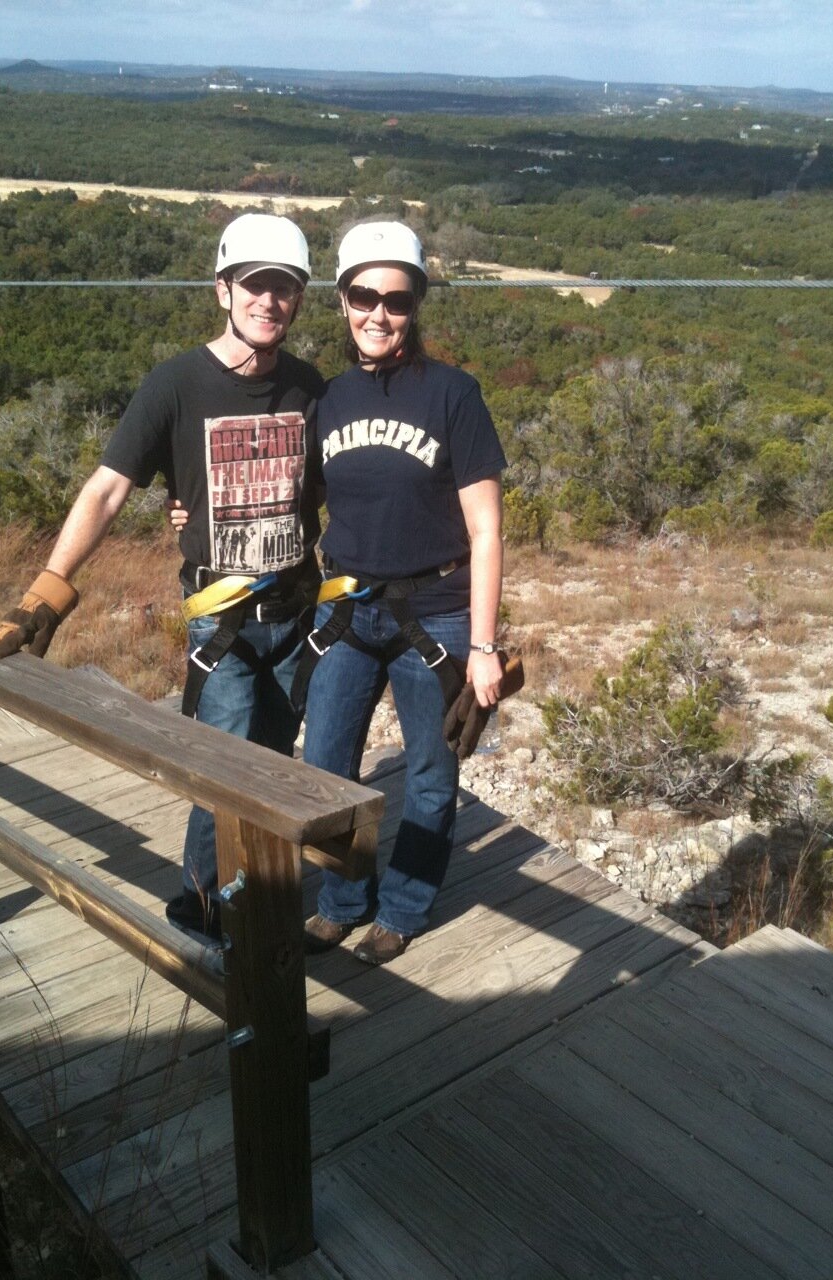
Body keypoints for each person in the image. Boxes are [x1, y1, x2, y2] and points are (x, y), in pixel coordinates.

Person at [0, 212, 325, 947]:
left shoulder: (308, 387)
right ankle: (204, 907)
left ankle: (255, 892)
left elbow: (339, 486)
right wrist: (50, 587)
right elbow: (106, 488)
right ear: (223, 290)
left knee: (272, 766)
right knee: (221, 769)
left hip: (296, 614)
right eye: (254, 286)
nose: (269, 302)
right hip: (222, 620)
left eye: (284, 289)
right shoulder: (174, 385)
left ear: (298, 300)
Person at [300, 221, 507, 965]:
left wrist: (483, 646)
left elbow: (486, 530)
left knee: (428, 773)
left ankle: (404, 907)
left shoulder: (453, 394)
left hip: (438, 615)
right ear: (343, 300)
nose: (379, 314)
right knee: (323, 766)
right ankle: (339, 899)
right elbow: (302, 498)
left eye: (396, 298)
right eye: (364, 296)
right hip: (347, 610)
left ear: (416, 304)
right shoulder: (327, 400)